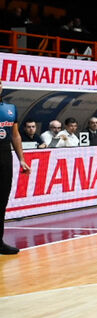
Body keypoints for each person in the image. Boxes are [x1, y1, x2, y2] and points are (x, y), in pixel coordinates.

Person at [1, 79, 33, 254]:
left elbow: (15, 135)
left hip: (5, 154)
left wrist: (21, 159)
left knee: (2, 200)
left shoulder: (10, 109)